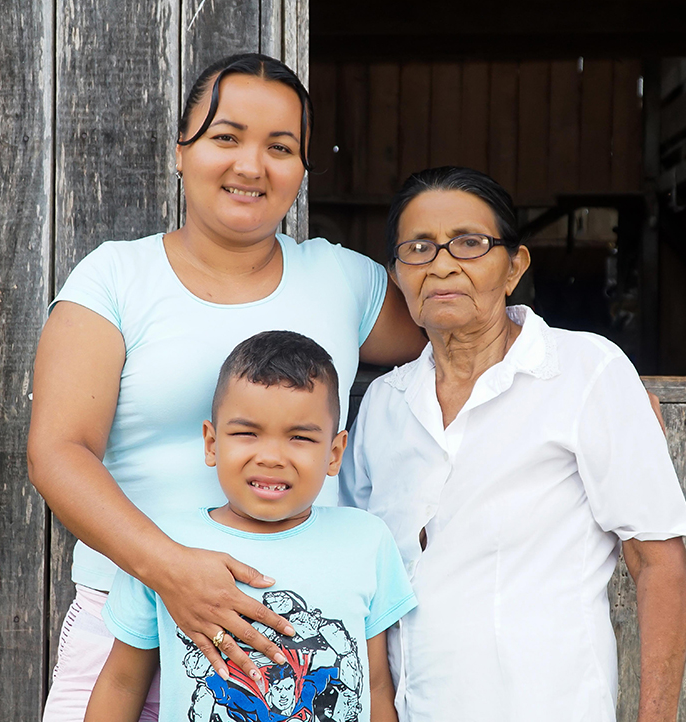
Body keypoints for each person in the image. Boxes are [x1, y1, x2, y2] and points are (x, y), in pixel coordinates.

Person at [28, 53, 424, 721]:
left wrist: (575, 374)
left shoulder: (342, 282)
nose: (250, 165)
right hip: (129, 622)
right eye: (225, 137)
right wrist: (173, 572)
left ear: (302, 170)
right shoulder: (116, 278)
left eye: (280, 147)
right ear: (181, 151)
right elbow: (58, 452)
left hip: (300, 636)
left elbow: (466, 336)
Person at [341, 166, 686, 721]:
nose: (442, 264)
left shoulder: (584, 372)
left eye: (469, 243)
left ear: (514, 267)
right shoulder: (386, 404)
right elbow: (358, 571)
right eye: (419, 248)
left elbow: (659, 563)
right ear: (397, 275)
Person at [84, 331, 414, 722]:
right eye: (247, 433)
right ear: (211, 442)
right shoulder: (166, 545)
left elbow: (374, 684)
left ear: (335, 452)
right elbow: (122, 682)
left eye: (300, 437)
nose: (271, 457)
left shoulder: (366, 540)